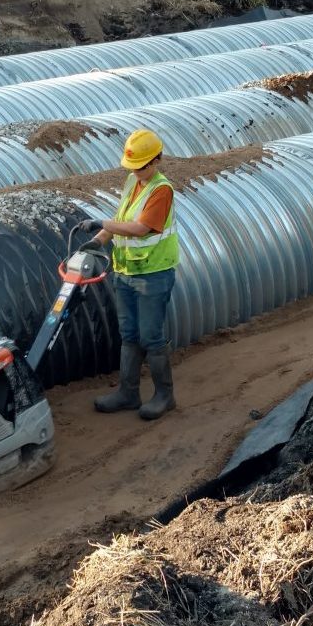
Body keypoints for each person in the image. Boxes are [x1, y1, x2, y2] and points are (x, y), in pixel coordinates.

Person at [78, 128, 179, 420]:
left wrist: (101, 221)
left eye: (141, 166)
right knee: (130, 334)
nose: (136, 171)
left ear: (156, 161)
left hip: (153, 274)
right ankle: (128, 392)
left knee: (151, 336)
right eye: (132, 166)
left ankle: (164, 395)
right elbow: (123, 220)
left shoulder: (161, 190)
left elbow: (140, 228)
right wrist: (97, 241)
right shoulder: (132, 183)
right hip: (126, 271)